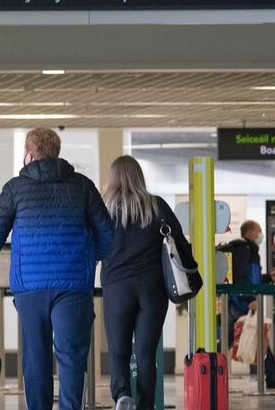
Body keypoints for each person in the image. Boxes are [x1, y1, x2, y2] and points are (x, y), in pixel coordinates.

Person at [0, 128, 115, 410]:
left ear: (29, 155)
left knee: (36, 358)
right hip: (73, 285)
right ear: (56, 152)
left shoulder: (15, 188)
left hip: (30, 287)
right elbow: (108, 234)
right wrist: (91, 256)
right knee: (72, 357)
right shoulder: (82, 186)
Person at [101, 156, 200, 410]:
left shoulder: (104, 210)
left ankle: (122, 394)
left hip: (116, 288)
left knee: (119, 350)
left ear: (112, 179)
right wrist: (193, 273)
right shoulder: (156, 206)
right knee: (145, 354)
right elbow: (179, 242)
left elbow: (91, 246)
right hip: (152, 289)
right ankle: (145, 405)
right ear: (139, 177)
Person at [217, 220, 275, 389]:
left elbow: (251, 277)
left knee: (225, 342)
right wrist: (250, 300)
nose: (260, 235)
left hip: (237, 302)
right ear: (249, 232)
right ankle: (272, 377)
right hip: (241, 303)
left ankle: (212, 370)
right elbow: (241, 277)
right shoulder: (243, 249)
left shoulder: (250, 250)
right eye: (259, 231)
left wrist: (267, 278)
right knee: (260, 338)